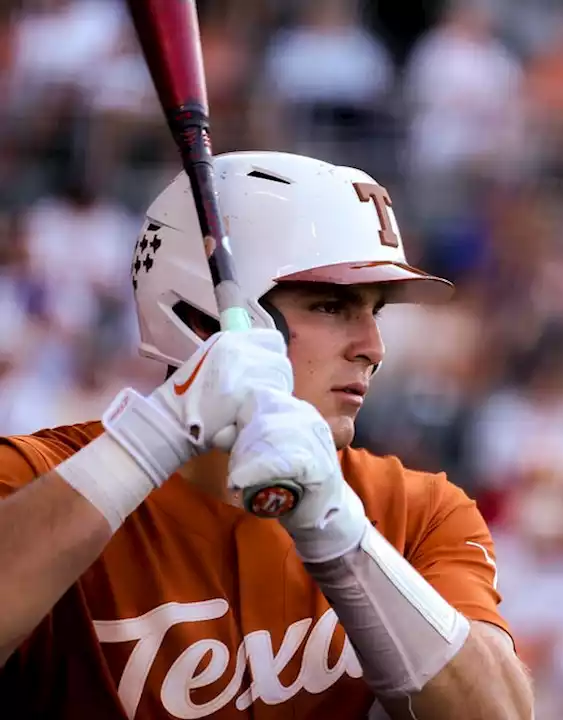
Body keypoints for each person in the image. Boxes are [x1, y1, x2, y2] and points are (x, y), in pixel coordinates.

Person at [0, 152, 534, 719]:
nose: (373, 348)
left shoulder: (416, 511)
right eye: (332, 306)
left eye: (374, 311)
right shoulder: (36, 481)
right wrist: (151, 438)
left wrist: (339, 531)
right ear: (205, 315)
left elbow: (501, 714)